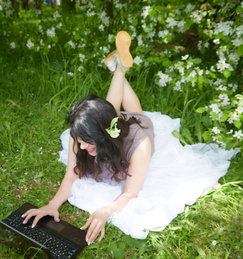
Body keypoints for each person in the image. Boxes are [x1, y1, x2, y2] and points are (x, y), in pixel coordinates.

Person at [22, 31, 155, 245]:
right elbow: (70, 176)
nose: (81, 147)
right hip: (107, 124)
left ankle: (120, 68)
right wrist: (52, 204)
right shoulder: (81, 136)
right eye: (79, 140)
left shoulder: (139, 145)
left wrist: (106, 210)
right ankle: (120, 67)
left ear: (103, 136)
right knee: (109, 111)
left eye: (87, 141)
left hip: (134, 129)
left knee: (137, 114)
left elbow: (130, 193)